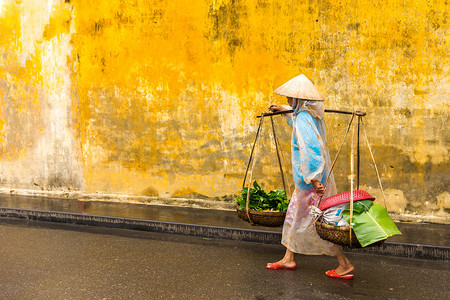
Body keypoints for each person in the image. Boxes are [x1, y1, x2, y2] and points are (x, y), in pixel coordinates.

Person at [266, 74, 354, 280]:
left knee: (318, 220)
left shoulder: (304, 118)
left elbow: (310, 148)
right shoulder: (308, 114)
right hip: (308, 180)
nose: (288, 100)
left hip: (309, 182)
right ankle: (289, 258)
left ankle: (345, 264)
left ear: (300, 100)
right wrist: (284, 110)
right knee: (296, 218)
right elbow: (297, 122)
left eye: (290, 99)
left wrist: (314, 179)